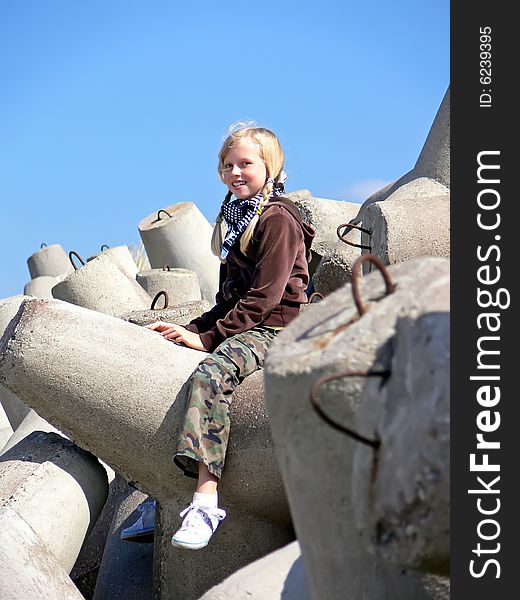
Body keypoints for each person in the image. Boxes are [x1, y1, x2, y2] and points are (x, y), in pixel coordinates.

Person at [121, 124, 314, 550]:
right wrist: (189, 330)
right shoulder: (236, 217)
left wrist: (210, 340)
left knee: (211, 374)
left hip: (280, 329)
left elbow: (264, 299)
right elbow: (228, 299)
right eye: (228, 165)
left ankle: (206, 502)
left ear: (270, 166)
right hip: (248, 321)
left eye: (245, 163)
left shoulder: (278, 219)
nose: (235, 172)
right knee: (169, 363)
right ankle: (163, 492)